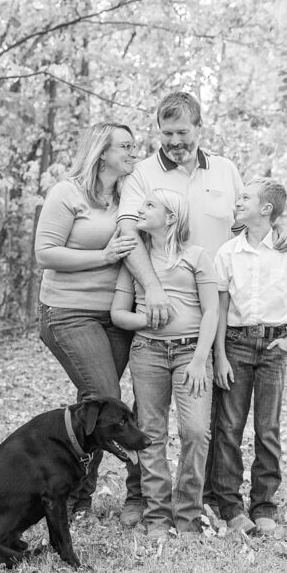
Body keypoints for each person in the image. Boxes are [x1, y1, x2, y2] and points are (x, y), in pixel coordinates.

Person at [116, 91, 287, 528]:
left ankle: (217, 497)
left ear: (200, 127)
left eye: (183, 132)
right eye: (167, 133)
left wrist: (282, 227)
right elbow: (128, 236)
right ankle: (142, 496)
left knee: (215, 415)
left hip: (222, 310)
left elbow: (249, 218)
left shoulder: (225, 170)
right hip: (165, 310)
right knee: (151, 414)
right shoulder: (143, 174)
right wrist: (154, 289)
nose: (175, 141)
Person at [34, 122, 142, 520]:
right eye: (126, 146)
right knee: (106, 398)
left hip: (116, 315)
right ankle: (78, 495)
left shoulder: (130, 194)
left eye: (136, 146)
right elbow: (45, 253)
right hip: (67, 311)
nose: (134, 153)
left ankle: (71, 495)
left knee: (95, 407)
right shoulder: (68, 193)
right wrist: (105, 257)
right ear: (102, 151)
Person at [110, 189, 219, 538]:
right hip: (148, 353)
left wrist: (201, 359)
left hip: (191, 354)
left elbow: (212, 311)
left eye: (150, 206)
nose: (140, 210)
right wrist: (147, 321)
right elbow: (118, 315)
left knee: (196, 432)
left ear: (171, 217)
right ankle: (157, 516)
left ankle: (187, 514)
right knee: (151, 435)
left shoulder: (197, 256)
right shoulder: (134, 261)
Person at [210, 177, 287, 536]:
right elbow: (220, 309)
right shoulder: (227, 253)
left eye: (246, 198)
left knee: (268, 429)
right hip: (236, 345)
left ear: (266, 209)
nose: (238, 201)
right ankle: (231, 506)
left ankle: (264, 505)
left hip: (273, 347)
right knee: (228, 428)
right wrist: (219, 356)